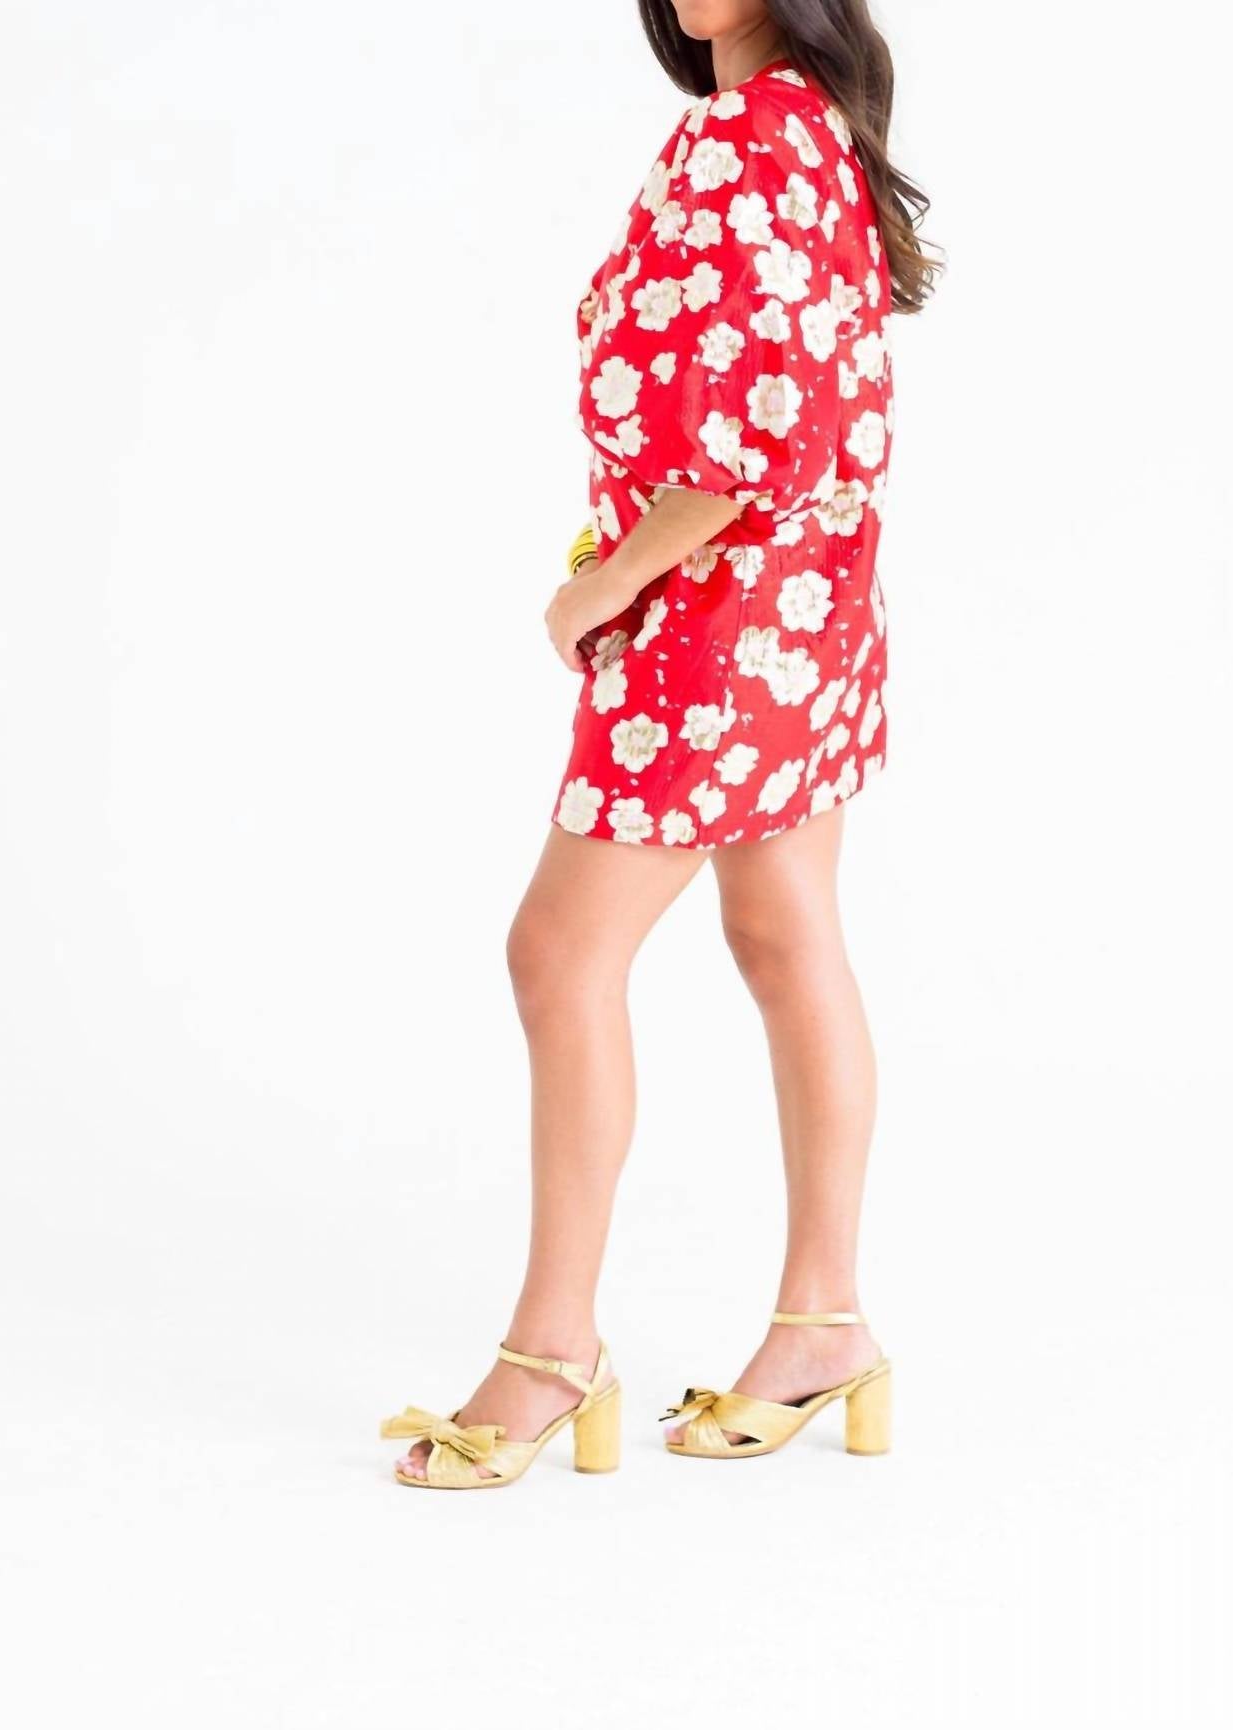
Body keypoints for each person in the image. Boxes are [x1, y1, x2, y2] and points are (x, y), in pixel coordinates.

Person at [381, 0, 939, 1489]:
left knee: (559, 951)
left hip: (718, 625)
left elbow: (746, 446)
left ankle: (551, 1350)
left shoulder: (752, 138)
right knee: (786, 932)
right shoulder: (816, 130)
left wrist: (602, 583)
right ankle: (824, 1324)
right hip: (805, 611)